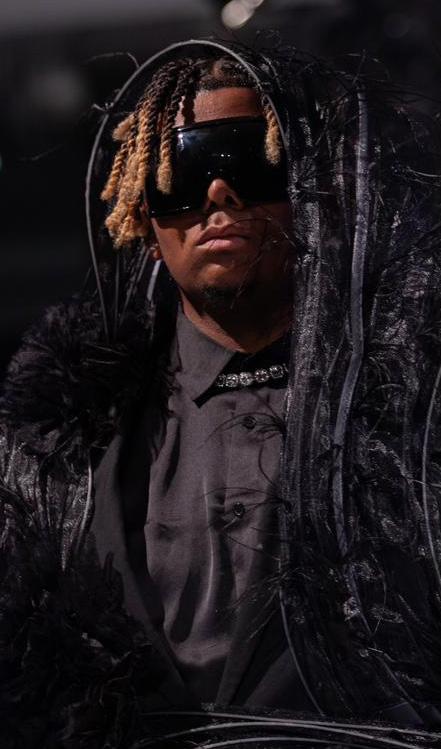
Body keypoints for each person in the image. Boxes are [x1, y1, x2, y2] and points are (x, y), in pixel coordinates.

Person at [1, 38, 441, 748]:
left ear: (313, 194)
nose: (217, 194)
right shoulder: (59, 437)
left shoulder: (416, 404)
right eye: (180, 173)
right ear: (144, 221)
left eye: (248, 161)